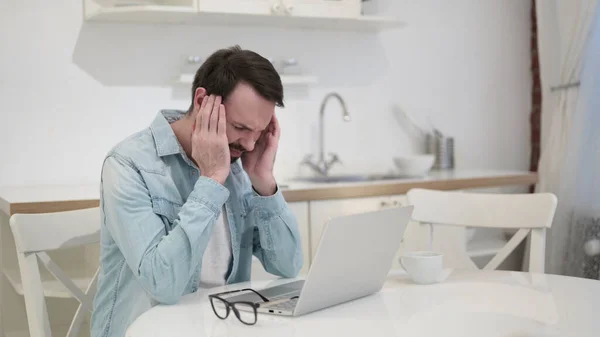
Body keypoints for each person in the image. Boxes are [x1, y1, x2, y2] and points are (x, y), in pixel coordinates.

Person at [91, 45, 303, 337]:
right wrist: (212, 179)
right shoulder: (129, 165)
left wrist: (263, 180)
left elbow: (288, 265)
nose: (251, 144)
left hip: (222, 327)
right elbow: (164, 284)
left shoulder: (241, 164)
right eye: (241, 127)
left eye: (260, 131)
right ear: (203, 101)